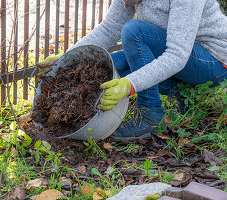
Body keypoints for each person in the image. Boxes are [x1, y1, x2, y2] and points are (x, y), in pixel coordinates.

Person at [40, 0, 227, 141]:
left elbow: (177, 56)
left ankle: (150, 113)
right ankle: (181, 94)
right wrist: (67, 58)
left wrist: (129, 86)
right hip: (185, 57)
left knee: (134, 32)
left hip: (214, 61)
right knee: (106, 64)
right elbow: (109, 29)